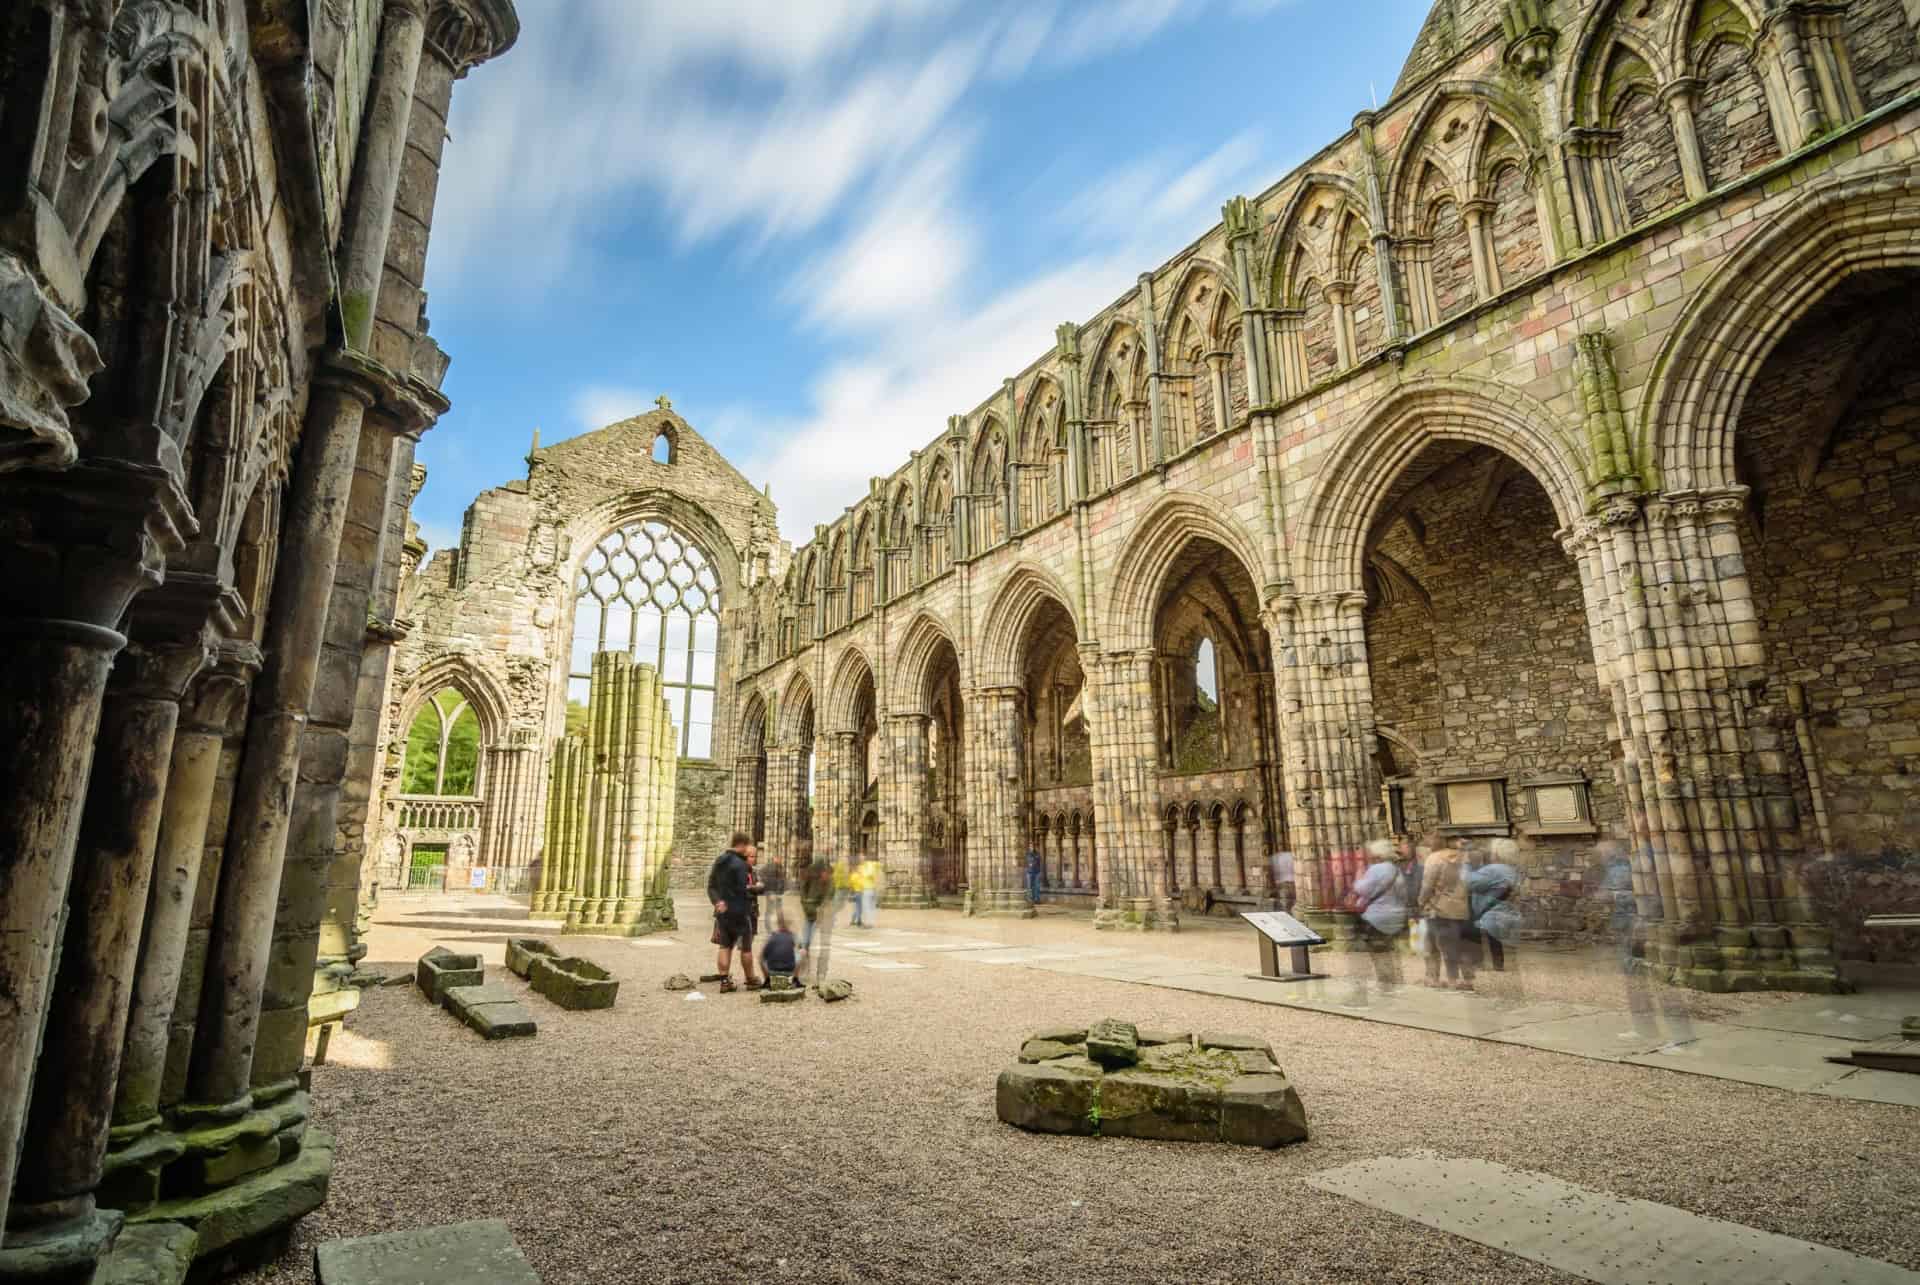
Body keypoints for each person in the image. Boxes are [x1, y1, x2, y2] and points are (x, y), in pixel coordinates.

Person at [1343, 839, 1408, 1006]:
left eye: (1371, 854)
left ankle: (1359, 995)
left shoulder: (1377, 869)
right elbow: (1403, 895)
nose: (1369, 857)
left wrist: (1359, 875)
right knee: (1383, 952)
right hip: (1394, 917)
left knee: (1359, 954)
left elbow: (1360, 888)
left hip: (1375, 917)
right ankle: (1387, 988)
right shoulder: (1396, 870)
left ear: (1378, 855)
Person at [706, 831, 763, 993]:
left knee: (725, 946)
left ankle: (725, 982)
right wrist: (756, 888)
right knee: (746, 947)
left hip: (723, 912)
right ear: (742, 845)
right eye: (747, 847)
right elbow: (742, 890)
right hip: (740, 911)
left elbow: (711, 886)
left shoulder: (719, 860)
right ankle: (751, 979)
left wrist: (717, 902)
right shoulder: (741, 864)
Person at [1417, 833, 1475, 991]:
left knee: (1432, 943)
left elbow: (1427, 885)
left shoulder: (1434, 858)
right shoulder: (1464, 858)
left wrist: (1421, 902)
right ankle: (1464, 979)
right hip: (1461, 908)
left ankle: (1437, 979)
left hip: (1438, 908)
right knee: (1459, 944)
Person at [1467, 838, 1522, 974]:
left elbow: (1471, 883)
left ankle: (1478, 963)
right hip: (1499, 905)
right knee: (1494, 937)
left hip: (1486, 906)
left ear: (1497, 854)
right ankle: (1498, 964)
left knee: (1475, 934)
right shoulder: (1510, 869)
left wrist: (1467, 867)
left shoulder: (1493, 869)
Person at [760, 914, 799, 987]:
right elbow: (797, 950)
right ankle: (795, 979)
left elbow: (762, 957)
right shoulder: (792, 936)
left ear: (778, 923)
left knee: (761, 957)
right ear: (789, 924)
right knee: (802, 952)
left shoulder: (771, 936)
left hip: (772, 972)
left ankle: (767, 980)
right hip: (789, 972)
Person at [859, 853, 883, 928]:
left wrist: (864, 874)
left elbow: (870, 874)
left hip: (869, 888)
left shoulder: (869, 865)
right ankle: (870, 923)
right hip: (867, 888)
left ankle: (869, 923)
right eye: (860, 858)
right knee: (870, 907)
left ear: (865, 858)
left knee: (867, 906)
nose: (860, 859)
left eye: (861, 858)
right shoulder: (863, 866)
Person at [845, 855, 866, 927]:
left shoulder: (853, 876)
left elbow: (850, 886)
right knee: (859, 907)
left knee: (857, 907)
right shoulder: (857, 876)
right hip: (859, 892)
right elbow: (861, 883)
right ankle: (859, 921)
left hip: (856, 892)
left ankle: (853, 920)